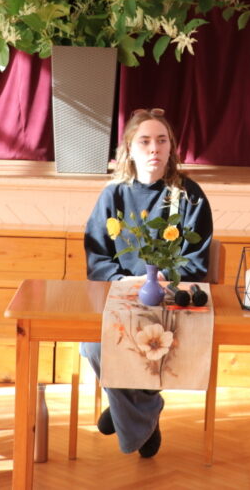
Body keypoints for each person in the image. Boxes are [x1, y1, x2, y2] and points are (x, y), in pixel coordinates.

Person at [80, 108, 214, 458]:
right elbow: (96, 257)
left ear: (171, 148)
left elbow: (196, 260)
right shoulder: (113, 195)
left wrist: (159, 280)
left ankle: (126, 411)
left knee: (153, 342)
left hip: (167, 302)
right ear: (129, 149)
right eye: (145, 141)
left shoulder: (188, 196)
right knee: (92, 346)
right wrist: (126, 281)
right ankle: (145, 412)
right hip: (119, 297)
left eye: (161, 140)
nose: (154, 148)